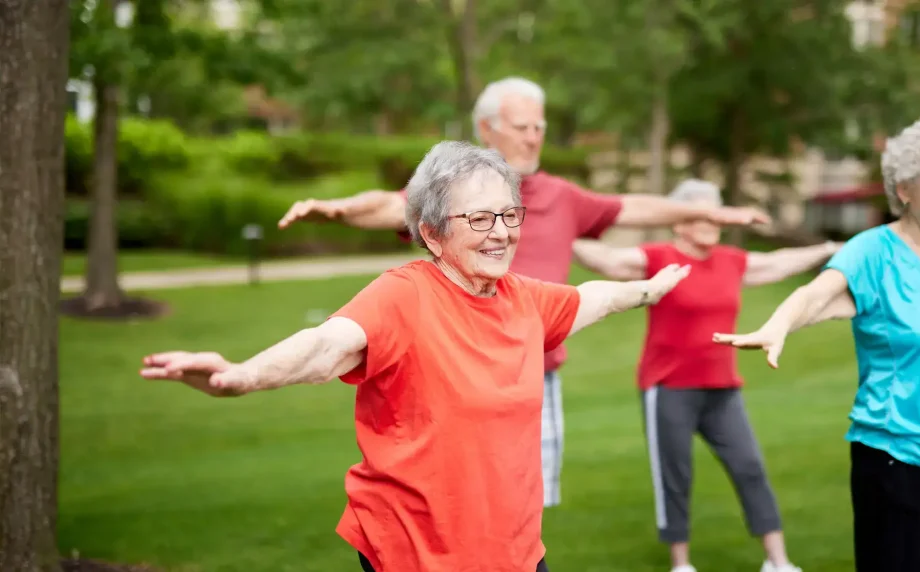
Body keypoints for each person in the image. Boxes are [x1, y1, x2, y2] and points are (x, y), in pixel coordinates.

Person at [139, 141, 691, 572]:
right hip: (417, 553)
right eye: (478, 220)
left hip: (514, 553)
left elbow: (590, 298)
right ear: (430, 234)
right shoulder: (403, 296)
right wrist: (240, 376)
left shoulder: (523, 298)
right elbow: (328, 346)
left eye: (509, 215)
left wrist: (647, 290)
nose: (500, 233)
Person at [276, 76, 771, 509]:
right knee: (455, 497)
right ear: (487, 128)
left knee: (524, 501)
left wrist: (710, 214)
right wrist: (334, 209)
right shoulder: (456, 194)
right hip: (456, 377)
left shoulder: (564, 197)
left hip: (536, 375)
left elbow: (637, 207)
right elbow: (387, 205)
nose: (534, 137)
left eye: (539, 127)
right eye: (521, 126)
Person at [713, 113, 920, 572]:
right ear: (905, 189)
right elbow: (816, 295)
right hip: (897, 462)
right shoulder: (872, 251)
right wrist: (777, 325)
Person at [571, 178, 838, 572]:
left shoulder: (732, 260)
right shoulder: (659, 256)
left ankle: (778, 561)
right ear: (680, 221)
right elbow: (607, 260)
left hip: (722, 390)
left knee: (750, 469)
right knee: (675, 478)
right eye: (701, 213)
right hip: (668, 389)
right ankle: (682, 565)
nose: (712, 220)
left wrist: (831, 249)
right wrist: (556, 230)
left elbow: (779, 262)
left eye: (716, 211)